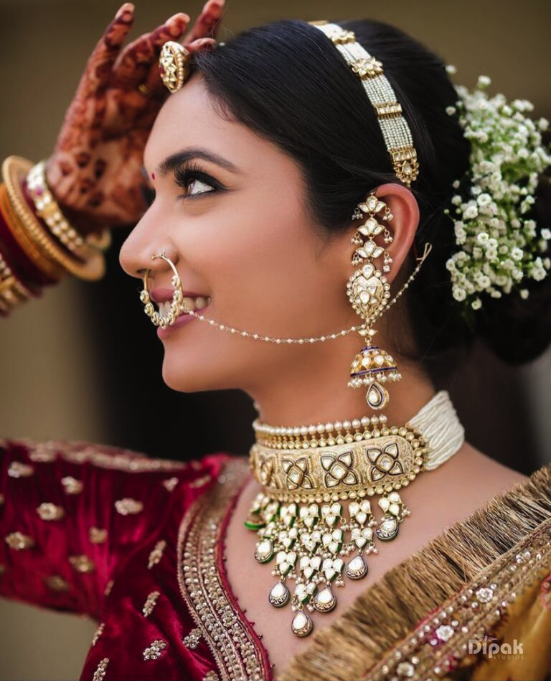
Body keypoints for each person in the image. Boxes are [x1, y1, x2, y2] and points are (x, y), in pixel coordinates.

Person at [1, 3, 550, 680]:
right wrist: (47, 213)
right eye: (149, 195)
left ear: (373, 231)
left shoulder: (535, 581)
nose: (134, 249)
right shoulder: (147, 531)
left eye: (196, 184)